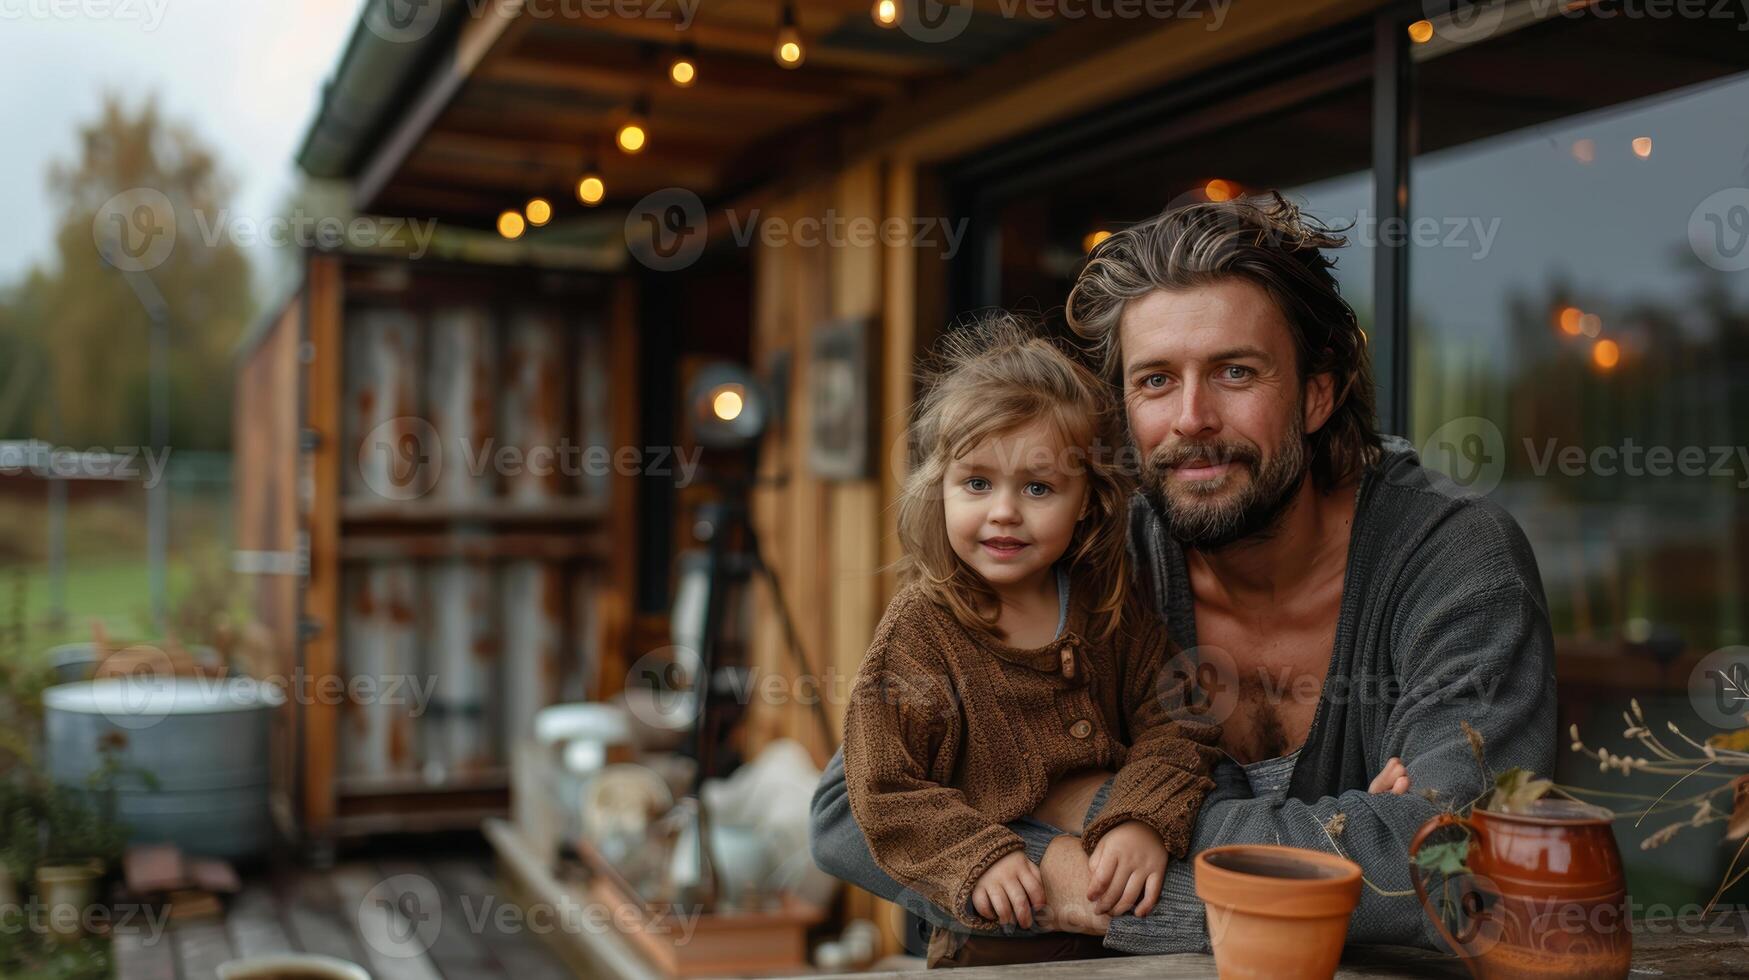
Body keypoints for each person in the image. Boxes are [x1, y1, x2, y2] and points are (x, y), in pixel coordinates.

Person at [811, 194, 1557, 958]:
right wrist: (1061, 878)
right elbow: (851, 811)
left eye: (1235, 371)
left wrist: (1092, 807)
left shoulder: (1453, 561)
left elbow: (1446, 859)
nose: (1190, 418)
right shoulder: (1086, 547)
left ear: (1316, 394)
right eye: (1155, 381)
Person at [842, 317, 1224, 967]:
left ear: (1086, 502)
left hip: (1122, 948)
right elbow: (884, 785)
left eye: (1038, 488)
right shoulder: (920, 632)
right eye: (977, 483)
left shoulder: (1106, 611)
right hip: (992, 943)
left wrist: (1140, 816)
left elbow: (1179, 719)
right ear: (940, 486)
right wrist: (974, 857)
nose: (1003, 512)